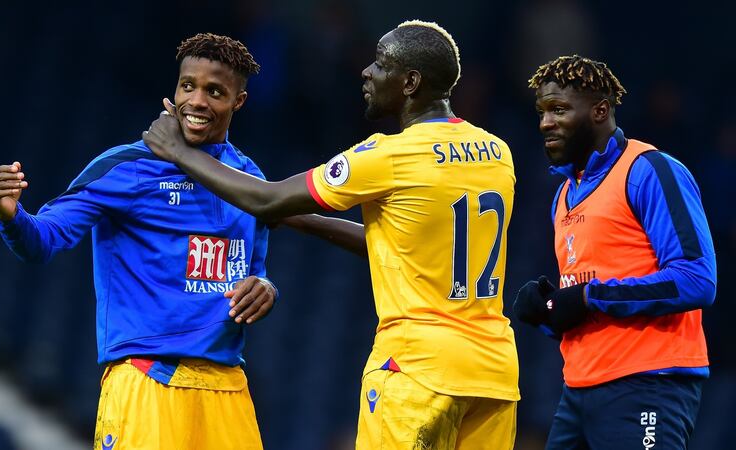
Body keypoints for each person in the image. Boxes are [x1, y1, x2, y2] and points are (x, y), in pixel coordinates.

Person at [144, 20, 520, 450]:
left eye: (380, 65)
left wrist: (175, 149)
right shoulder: (497, 153)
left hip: (418, 367)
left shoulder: (389, 154)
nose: (366, 72)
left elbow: (267, 199)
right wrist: (299, 219)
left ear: (410, 82)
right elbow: (400, 247)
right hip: (493, 372)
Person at [0, 33, 277, 450]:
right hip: (147, 379)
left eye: (215, 92)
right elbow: (43, 240)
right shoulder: (126, 167)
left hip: (226, 386)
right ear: (175, 90)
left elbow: (255, 272)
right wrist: (11, 215)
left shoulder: (251, 182)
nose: (197, 101)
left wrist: (265, 288)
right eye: (188, 86)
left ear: (238, 102)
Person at [513, 55, 717, 449]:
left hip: (648, 384)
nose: (545, 123)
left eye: (559, 110)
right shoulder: (563, 196)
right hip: (579, 388)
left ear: (600, 111)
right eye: (541, 112)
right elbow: (593, 299)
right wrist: (549, 310)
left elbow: (697, 279)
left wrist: (589, 297)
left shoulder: (650, 170)